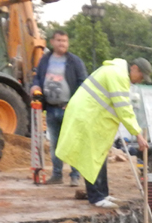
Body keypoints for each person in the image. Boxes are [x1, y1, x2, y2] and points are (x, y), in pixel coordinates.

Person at [56, 57, 152, 209]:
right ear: (134, 68)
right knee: (92, 157)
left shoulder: (117, 73)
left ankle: (103, 193)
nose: (140, 81)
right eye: (141, 76)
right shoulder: (118, 76)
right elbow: (124, 108)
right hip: (87, 116)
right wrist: (138, 134)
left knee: (99, 156)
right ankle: (96, 197)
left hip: (93, 117)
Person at [32, 31, 87, 187]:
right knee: (55, 144)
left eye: (64, 41)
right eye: (59, 40)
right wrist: (35, 86)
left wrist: (74, 102)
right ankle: (57, 175)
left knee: (72, 143)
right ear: (52, 42)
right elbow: (37, 77)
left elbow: (83, 83)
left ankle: (75, 175)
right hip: (50, 108)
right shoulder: (45, 60)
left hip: (69, 109)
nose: (62, 43)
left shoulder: (74, 62)